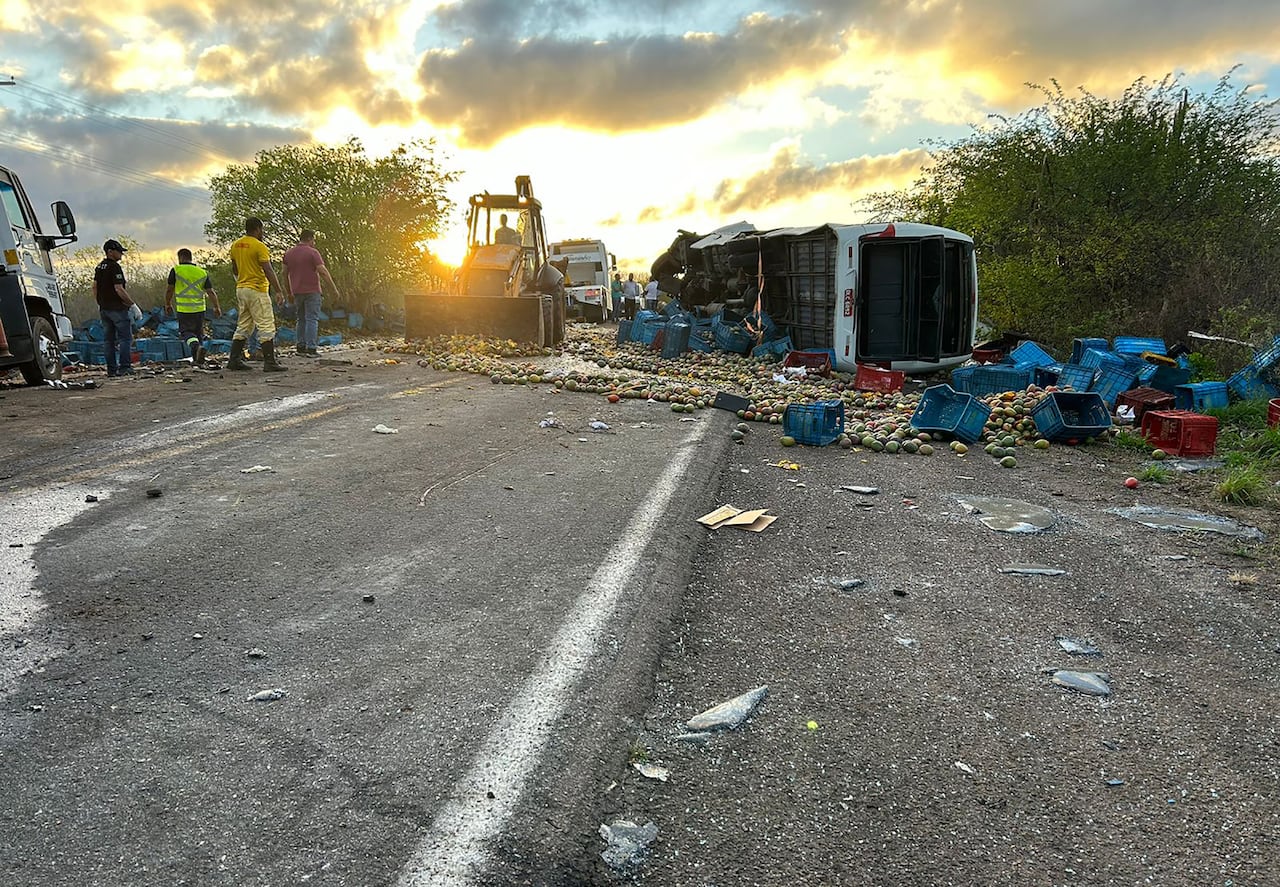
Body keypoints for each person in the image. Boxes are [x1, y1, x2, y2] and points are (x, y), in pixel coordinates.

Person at [228, 217, 289, 373]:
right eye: (261, 230)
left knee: (244, 325)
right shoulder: (259, 246)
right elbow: (268, 269)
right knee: (266, 324)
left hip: (241, 288)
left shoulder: (235, 245)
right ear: (257, 229)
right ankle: (270, 362)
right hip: (257, 289)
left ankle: (234, 360)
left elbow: (234, 269)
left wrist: (242, 277)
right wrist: (279, 290)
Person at [283, 229, 339, 357]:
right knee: (312, 319)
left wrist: (288, 292)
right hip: (312, 291)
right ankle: (311, 348)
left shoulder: (288, 254)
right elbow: (322, 271)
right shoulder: (313, 253)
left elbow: (284, 274)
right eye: (313, 240)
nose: (314, 243)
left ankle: (300, 346)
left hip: (296, 291)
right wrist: (333, 289)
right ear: (309, 239)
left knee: (301, 319)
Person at [164, 248, 220, 366]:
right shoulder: (202, 272)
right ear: (191, 258)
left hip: (184, 310)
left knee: (186, 333)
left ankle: (196, 348)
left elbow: (170, 289)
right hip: (200, 309)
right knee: (198, 334)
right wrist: (216, 307)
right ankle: (198, 359)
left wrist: (168, 303)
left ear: (181, 258)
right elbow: (210, 292)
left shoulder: (176, 270)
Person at [93, 239, 138, 377]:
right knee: (125, 338)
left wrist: (100, 303)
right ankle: (125, 367)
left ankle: (111, 370)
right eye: (119, 251)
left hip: (104, 309)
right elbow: (119, 289)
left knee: (109, 341)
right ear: (110, 252)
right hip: (117, 309)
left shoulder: (100, 267)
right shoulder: (114, 267)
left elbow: (94, 287)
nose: (121, 255)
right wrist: (132, 304)